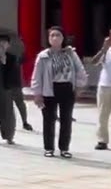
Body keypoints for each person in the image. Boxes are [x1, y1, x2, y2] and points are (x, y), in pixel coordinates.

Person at [30, 26, 88, 158]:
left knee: (66, 119)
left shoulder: (70, 54)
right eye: (52, 35)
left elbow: (80, 70)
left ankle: (64, 148)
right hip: (49, 89)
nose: (55, 38)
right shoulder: (43, 56)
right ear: (48, 38)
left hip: (66, 88)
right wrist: (37, 93)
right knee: (49, 119)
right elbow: (36, 76)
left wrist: (79, 86)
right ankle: (49, 148)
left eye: (58, 35)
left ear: (63, 38)